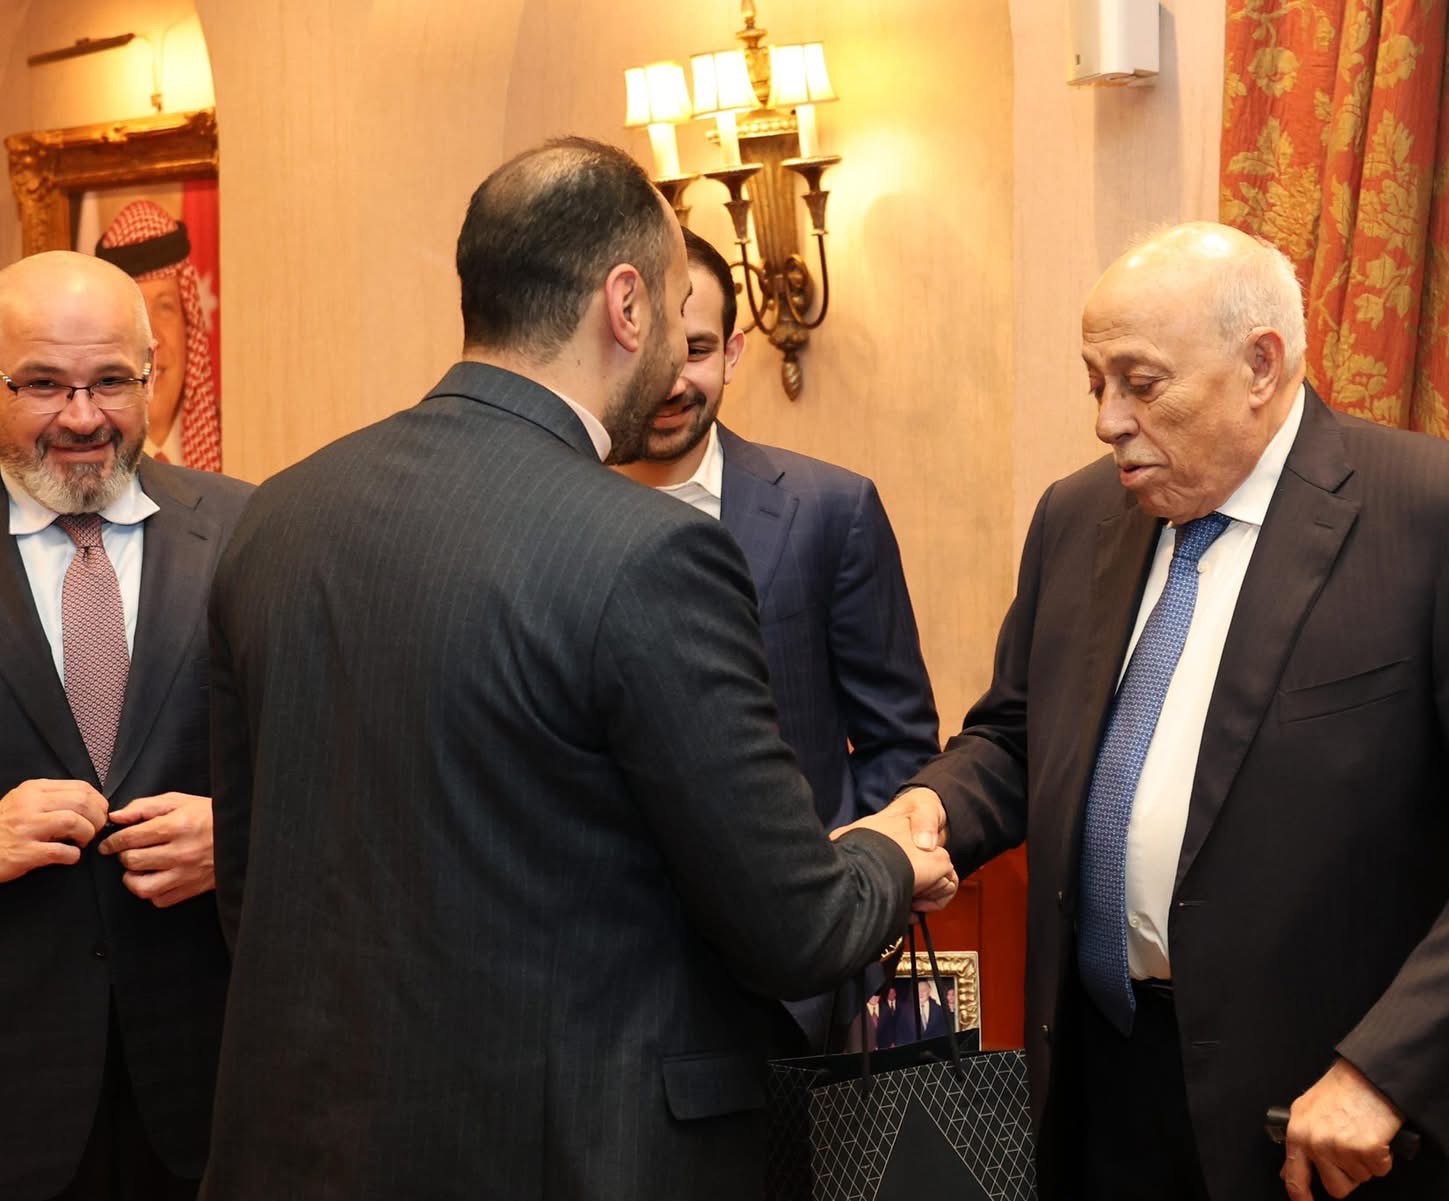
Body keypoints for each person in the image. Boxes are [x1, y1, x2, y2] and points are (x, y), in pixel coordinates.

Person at [200, 137, 955, 1201]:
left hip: (302, 1141)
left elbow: (250, 883)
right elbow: (798, 922)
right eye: (672, 312)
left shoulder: (279, 513)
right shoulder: (650, 551)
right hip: (566, 1152)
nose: (676, 353)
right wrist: (891, 855)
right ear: (627, 304)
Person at [899, 224, 1449, 1201]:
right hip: (1100, 1096)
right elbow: (1019, 736)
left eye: (1141, 383)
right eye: (1095, 383)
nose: (1108, 420)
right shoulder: (1077, 518)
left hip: (1327, 1120)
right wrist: (934, 807)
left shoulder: (1438, 516)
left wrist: (1390, 1068)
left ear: (1260, 364)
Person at [615, 228, 940, 1050]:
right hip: (610, 990)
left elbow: (900, 740)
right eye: (655, 351)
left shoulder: (830, 510)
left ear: (732, 353)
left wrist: (846, 905)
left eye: (695, 350)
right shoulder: (551, 516)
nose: (672, 379)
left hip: (798, 994)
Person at [0, 251, 252, 1200]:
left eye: (110, 380)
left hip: (205, 1088)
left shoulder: (251, 531)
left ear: (153, 377)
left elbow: (341, 769)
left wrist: (241, 839)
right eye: (42, 384)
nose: (81, 416)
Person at [93, 201, 220, 471]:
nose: (153, 337)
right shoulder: (82, 463)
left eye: (165, 307)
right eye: (136, 313)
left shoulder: (236, 439)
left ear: (188, 324)